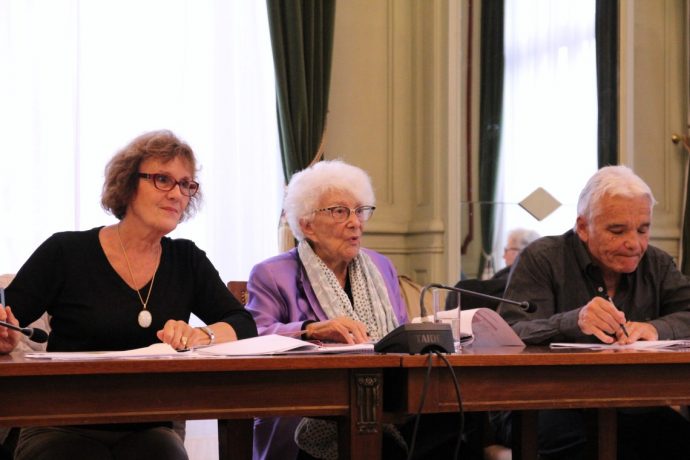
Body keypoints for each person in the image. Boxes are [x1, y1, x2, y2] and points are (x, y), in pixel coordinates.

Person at [0, 130, 258, 460]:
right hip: (60, 424)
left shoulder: (186, 260)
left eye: (185, 184)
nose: (177, 194)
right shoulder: (66, 251)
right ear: (127, 183)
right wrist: (4, 336)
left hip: (148, 428)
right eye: (163, 179)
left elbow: (242, 323)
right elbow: (8, 316)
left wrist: (201, 335)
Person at [246, 160, 481, 460]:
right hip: (308, 409)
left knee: (462, 414)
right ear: (306, 225)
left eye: (360, 210)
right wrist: (310, 329)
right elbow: (253, 338)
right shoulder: (271, 274)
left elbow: (400, 335)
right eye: (339, 211)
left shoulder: (381, 267)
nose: (355, 222)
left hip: (388, 399)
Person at [495, 165, 690, 459]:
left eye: (643, 229)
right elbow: (511, 331)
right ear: (583, 227)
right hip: (544, 404)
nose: (634, 244)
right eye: (617, 230)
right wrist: (575, 321)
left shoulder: (658, 264)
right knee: (597, 445)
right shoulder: (542, 258)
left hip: (631, 405)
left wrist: (655, 329)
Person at [445, 228, 539, 311]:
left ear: (520, 252)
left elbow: (462, 292)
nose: (503, 256)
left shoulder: (516, 279)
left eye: (506, 250)